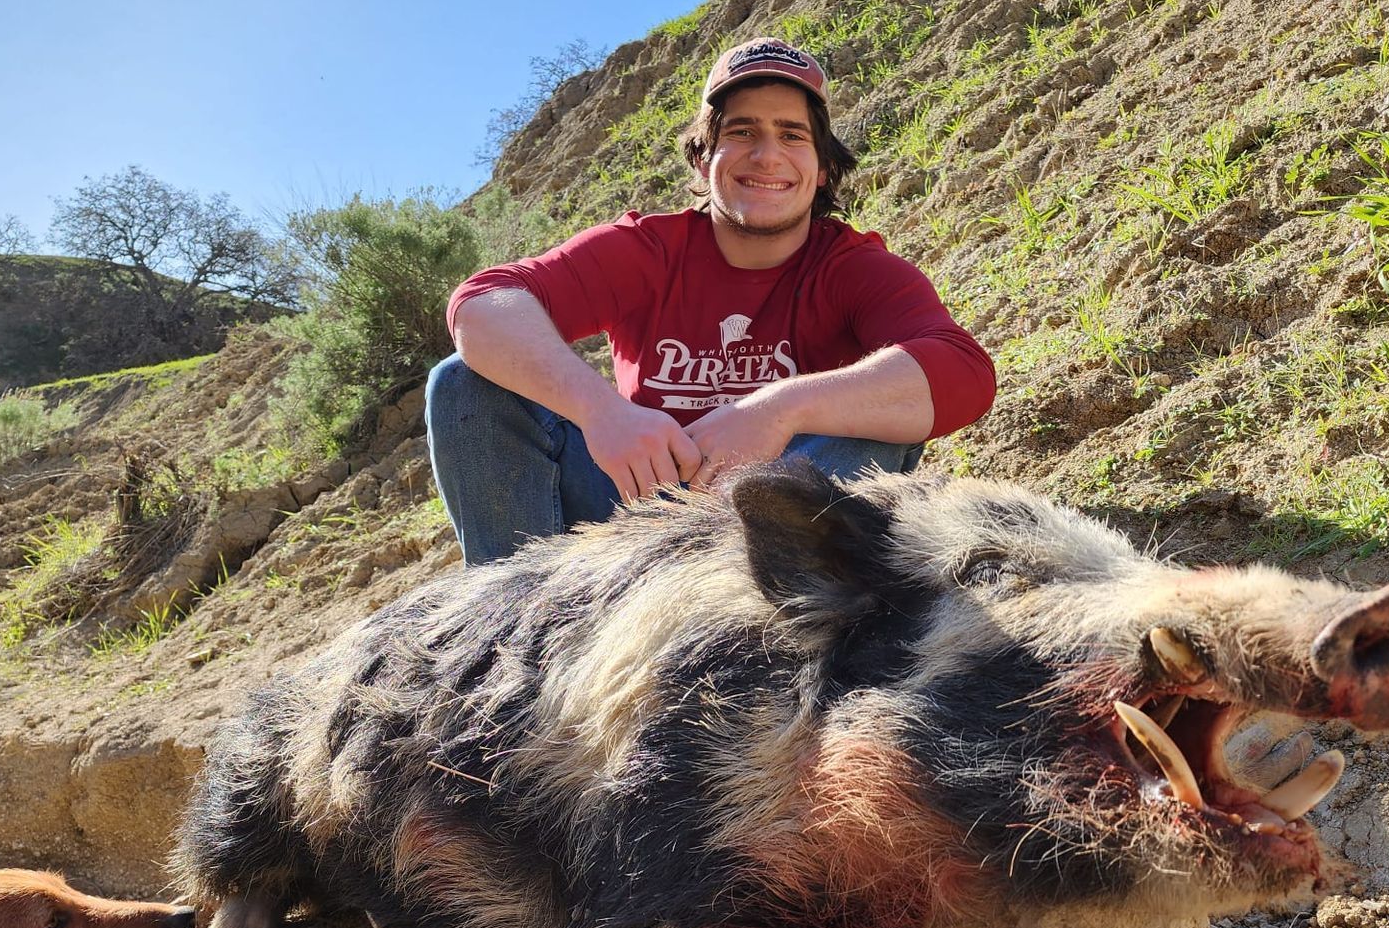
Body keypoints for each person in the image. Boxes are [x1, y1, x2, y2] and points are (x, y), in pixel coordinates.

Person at [427, 36, 996, 565]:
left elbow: (962, 372)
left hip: (776, 523)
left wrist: (776, 411)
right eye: (742, 132)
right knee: (463, 382)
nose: (767, 156)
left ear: (823, 170)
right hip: (634, 511)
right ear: (704, 160)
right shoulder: (649, 250)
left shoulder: (851, 267)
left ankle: (777, 621)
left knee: (873, 410)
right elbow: (484, 303)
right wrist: (603, 414)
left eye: (793, 136)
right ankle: (521, 623)